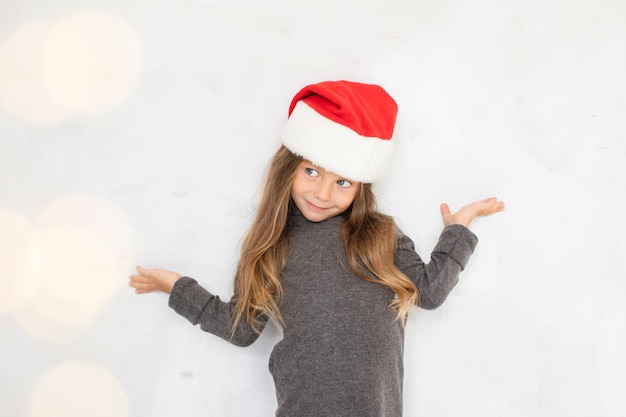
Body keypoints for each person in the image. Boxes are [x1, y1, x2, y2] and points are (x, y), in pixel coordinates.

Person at [129, 80, 504, 417]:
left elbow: (430, 291)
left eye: (342, 181)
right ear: (289, 167)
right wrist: (176, 287)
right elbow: (241, 329)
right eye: (311, 172)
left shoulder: (379, 233)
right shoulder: (271, 246)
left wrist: (457, 230)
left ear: (361, 186)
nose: (323, 193)